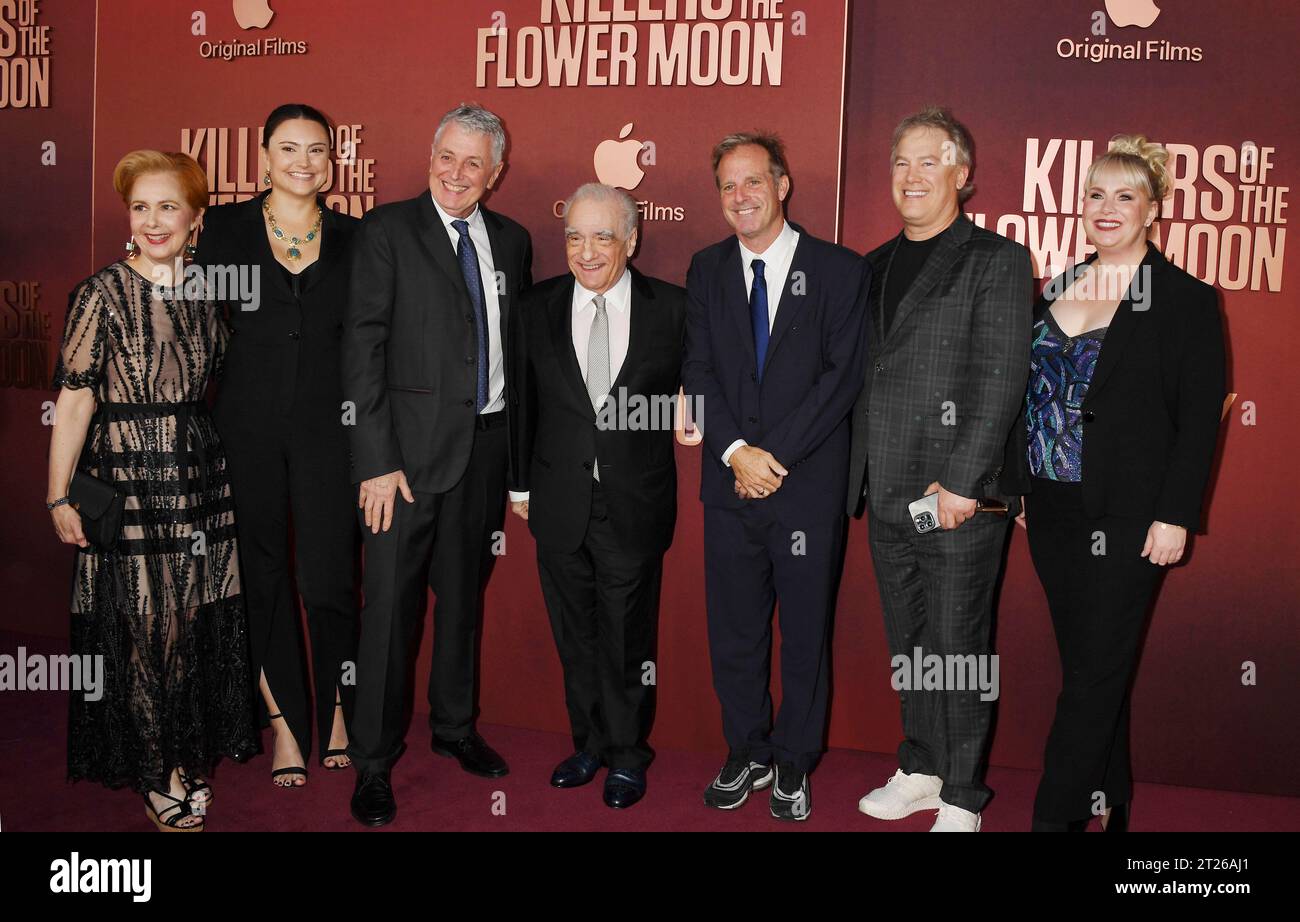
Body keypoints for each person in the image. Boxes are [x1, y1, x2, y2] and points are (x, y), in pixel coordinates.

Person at [1003, 135, 1227, 832]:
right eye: (1095, 194)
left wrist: (1175, 515)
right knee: (1089, 667)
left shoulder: (1186, 299)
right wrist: (1017, 491)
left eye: (1125, 196)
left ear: (1153, 210)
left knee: (1095, 673)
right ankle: (1114, 792)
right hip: (1051, 508)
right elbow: (1024, 393)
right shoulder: (1060, 284)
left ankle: (1055, 819)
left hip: (1131, 516)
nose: (1107, 208)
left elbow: (1199, 420)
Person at [46, 150, 256, 830]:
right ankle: (157, 768)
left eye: (169, 206)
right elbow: (74, 402)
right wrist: (58, 496)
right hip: (128, 479)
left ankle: (185, 753)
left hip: (196, 476)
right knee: (143, 624)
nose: (154, 220)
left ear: (197, 218)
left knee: (191, 621)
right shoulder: (100, 294)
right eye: (141, 206)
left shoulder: (212, 289)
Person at [341, 103, 533, 827]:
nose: (456, 173)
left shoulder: (512, 242)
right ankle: (373, 762)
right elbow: (360, 350)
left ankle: (453, 728)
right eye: (446, 156)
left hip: (484, 452)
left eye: (472, 162)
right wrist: (375, 462)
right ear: (430, 156)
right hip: (402, 463)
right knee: (388, 612)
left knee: (463, 602)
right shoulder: (387, 231)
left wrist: (517, 465)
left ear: (496, 172)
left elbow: (514, 349)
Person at [847, 106, 1033, 832]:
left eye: (930, 161)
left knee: (958, 649)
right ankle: (921, 767)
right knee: (912, 646)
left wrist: (962, 481)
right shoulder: (872, 266)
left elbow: (1001, 376)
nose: (912, 175)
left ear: (963, 173)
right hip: (886, 491)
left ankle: (962, 796)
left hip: (956, 495)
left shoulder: (996, 260)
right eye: (901, 162)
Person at [682, 132, 869, 822]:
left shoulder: (841, 271)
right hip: (729, 487)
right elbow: (696, 370)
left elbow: (839, 380)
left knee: (805, 633)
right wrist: (736, 453)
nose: (741, 197)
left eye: (753, 182)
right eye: (728, 186)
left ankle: (794, 762)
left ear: (783, 185)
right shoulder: (704, 270)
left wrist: (769, 459)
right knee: (735, 631)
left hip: (807, 489)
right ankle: (747, 751)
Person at [194, 104, 360, 788]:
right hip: (246, 427)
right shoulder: (227, 228)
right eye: (287, 148)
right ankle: (286, 723)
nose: (302, 161)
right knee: (260, 573)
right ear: (263, 156)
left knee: (330, 576)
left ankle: (340, 716)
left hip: (332, 429)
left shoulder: (357, 236)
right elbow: (196, 327)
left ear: (332, 160)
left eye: (315, 150)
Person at [508, 183, 686, 809]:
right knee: (575, 637)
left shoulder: (674, 309)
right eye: (575, 236)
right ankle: (588, 744)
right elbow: (521, 404)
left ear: (631, 241)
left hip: (633, 504)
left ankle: (628, 756)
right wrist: (519, 485)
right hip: (558, 502)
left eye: (602, 236)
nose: (585, 251)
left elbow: (699, 392)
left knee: (627, 638)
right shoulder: (535, 307)